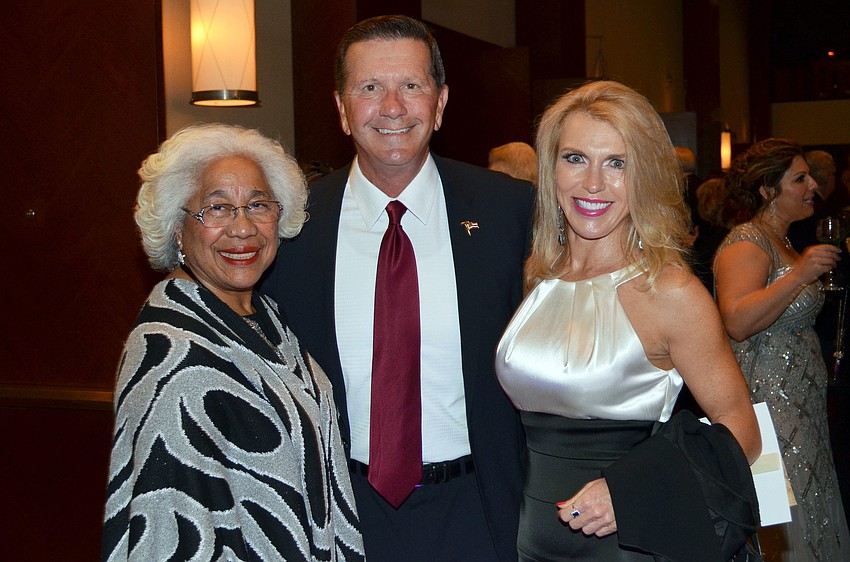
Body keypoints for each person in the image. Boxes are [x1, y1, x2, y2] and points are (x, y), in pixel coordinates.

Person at [261, 14, 534, 562]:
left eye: (411, 85)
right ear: (342, 109)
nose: (392, 107)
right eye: (369, 88)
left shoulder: (509, 212)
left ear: (441, 102)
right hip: (340, 514)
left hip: (479, 509)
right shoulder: (292, 228)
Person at [494, 80, 761, 560]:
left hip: (628, 543)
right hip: (528, 540)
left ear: (644, 177)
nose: (593, 182)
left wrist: (630, 490)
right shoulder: (538, 276)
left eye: (617, 163)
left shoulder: (669, 290)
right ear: (550, 170)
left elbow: (741, 427)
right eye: (575, 158)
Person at [101, 124, 365, 561]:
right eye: (217, 208)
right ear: (177, 229)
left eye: (258, 204)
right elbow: (170, 532)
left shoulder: (265, 317)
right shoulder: (170, 352)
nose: (242, 228)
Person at [713, 138, 850, 561]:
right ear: (768, 190)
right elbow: (736, 321)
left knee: (813, 503)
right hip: (770, 408)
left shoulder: (784, 241)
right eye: (800, 178)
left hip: (801, 406)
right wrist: (801, 274)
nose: (813, 186)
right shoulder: (747, 242)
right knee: (784, 511)